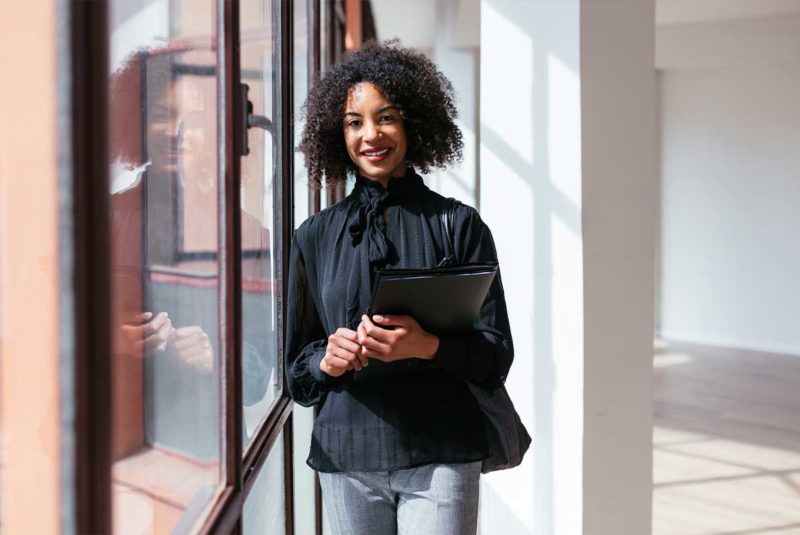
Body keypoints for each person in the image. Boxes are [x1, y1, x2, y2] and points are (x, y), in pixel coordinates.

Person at [285, 40, 515, 535]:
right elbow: (295, 376)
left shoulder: (460, 225)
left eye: (386, 117)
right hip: (346, 455)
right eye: (354, 122)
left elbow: (496, 356)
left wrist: (426, 346)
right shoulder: (314, 237)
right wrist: (326, 359)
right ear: (337, 133)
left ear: (413, 123)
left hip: (442, 453)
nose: (371, 134)